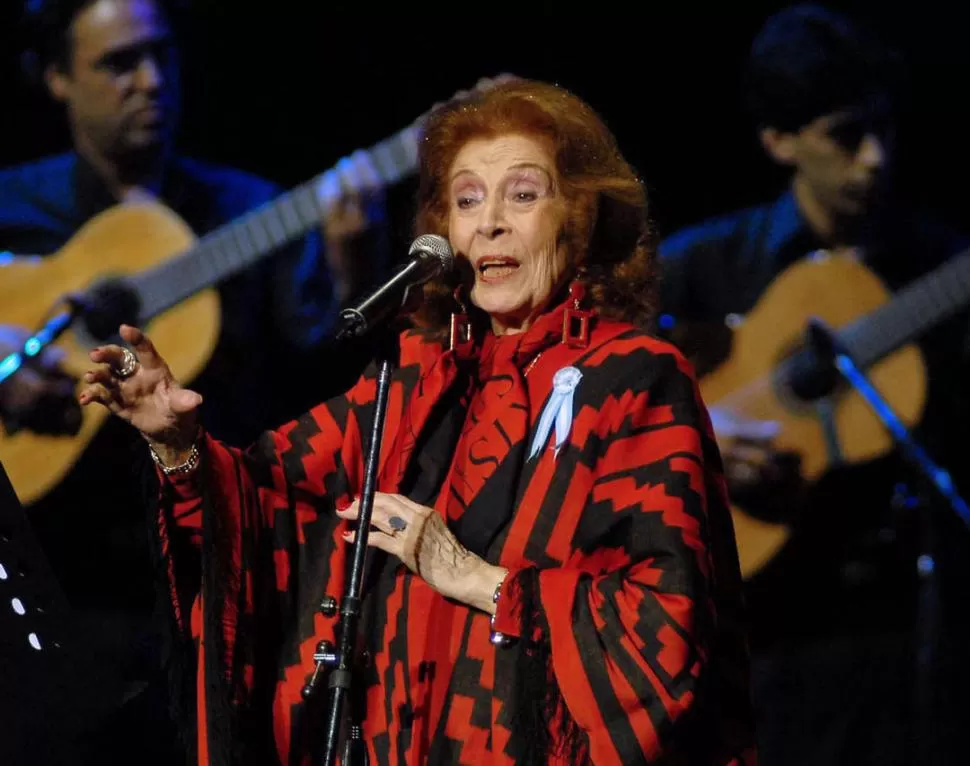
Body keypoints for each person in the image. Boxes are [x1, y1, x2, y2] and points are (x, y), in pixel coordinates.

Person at [79, 78, 758, 765]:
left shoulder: (636, 378)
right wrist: (177, 444)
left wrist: (475, 578)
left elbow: (665, 631)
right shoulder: (414, 373)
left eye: (523, 195)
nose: (489, 222)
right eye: (467, 200)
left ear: (580, 218)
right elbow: (275, 502)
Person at [0, 0, 388, 761]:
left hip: (215, 577)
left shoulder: (250, 209)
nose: (150, 81)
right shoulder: (11, 205)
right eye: (118, 64)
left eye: (162, 57)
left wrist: (356, 274)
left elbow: (325, 387)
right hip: (61, 571)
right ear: (56, 78)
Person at [657, 5, 970, 765]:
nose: (875, 158)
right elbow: (585, 415)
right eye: (846, 136)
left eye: (884, 129)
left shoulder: (936, 263)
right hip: (760, 648)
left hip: (912, 638)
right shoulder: (703, 268)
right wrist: (694, 446)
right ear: (780, 141)